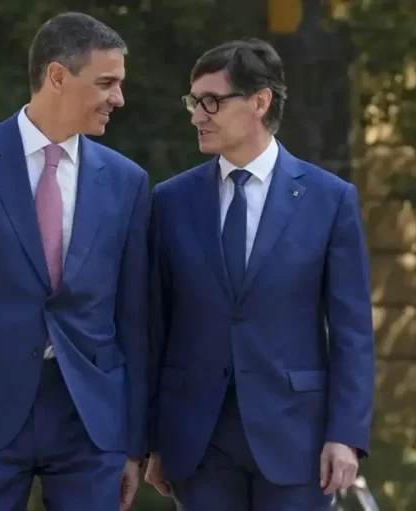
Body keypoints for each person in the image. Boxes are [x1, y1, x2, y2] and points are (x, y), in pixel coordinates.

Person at [0, 12, 149, 511]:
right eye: (106, 83)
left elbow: (135, 318)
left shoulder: (128, 181)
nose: (118, 98)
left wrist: (134, 441)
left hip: (91, 420)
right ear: (57, 76)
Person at [144, 38, 375, 511]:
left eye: (211, 101)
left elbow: (352, 331)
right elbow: (153, 327)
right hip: (198, 443)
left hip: (299, 439)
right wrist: (151, 439)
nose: (196, 115)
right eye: (193, 102)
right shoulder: (170, 201)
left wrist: (346, 435)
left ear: (260, 102)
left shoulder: (330, 200)